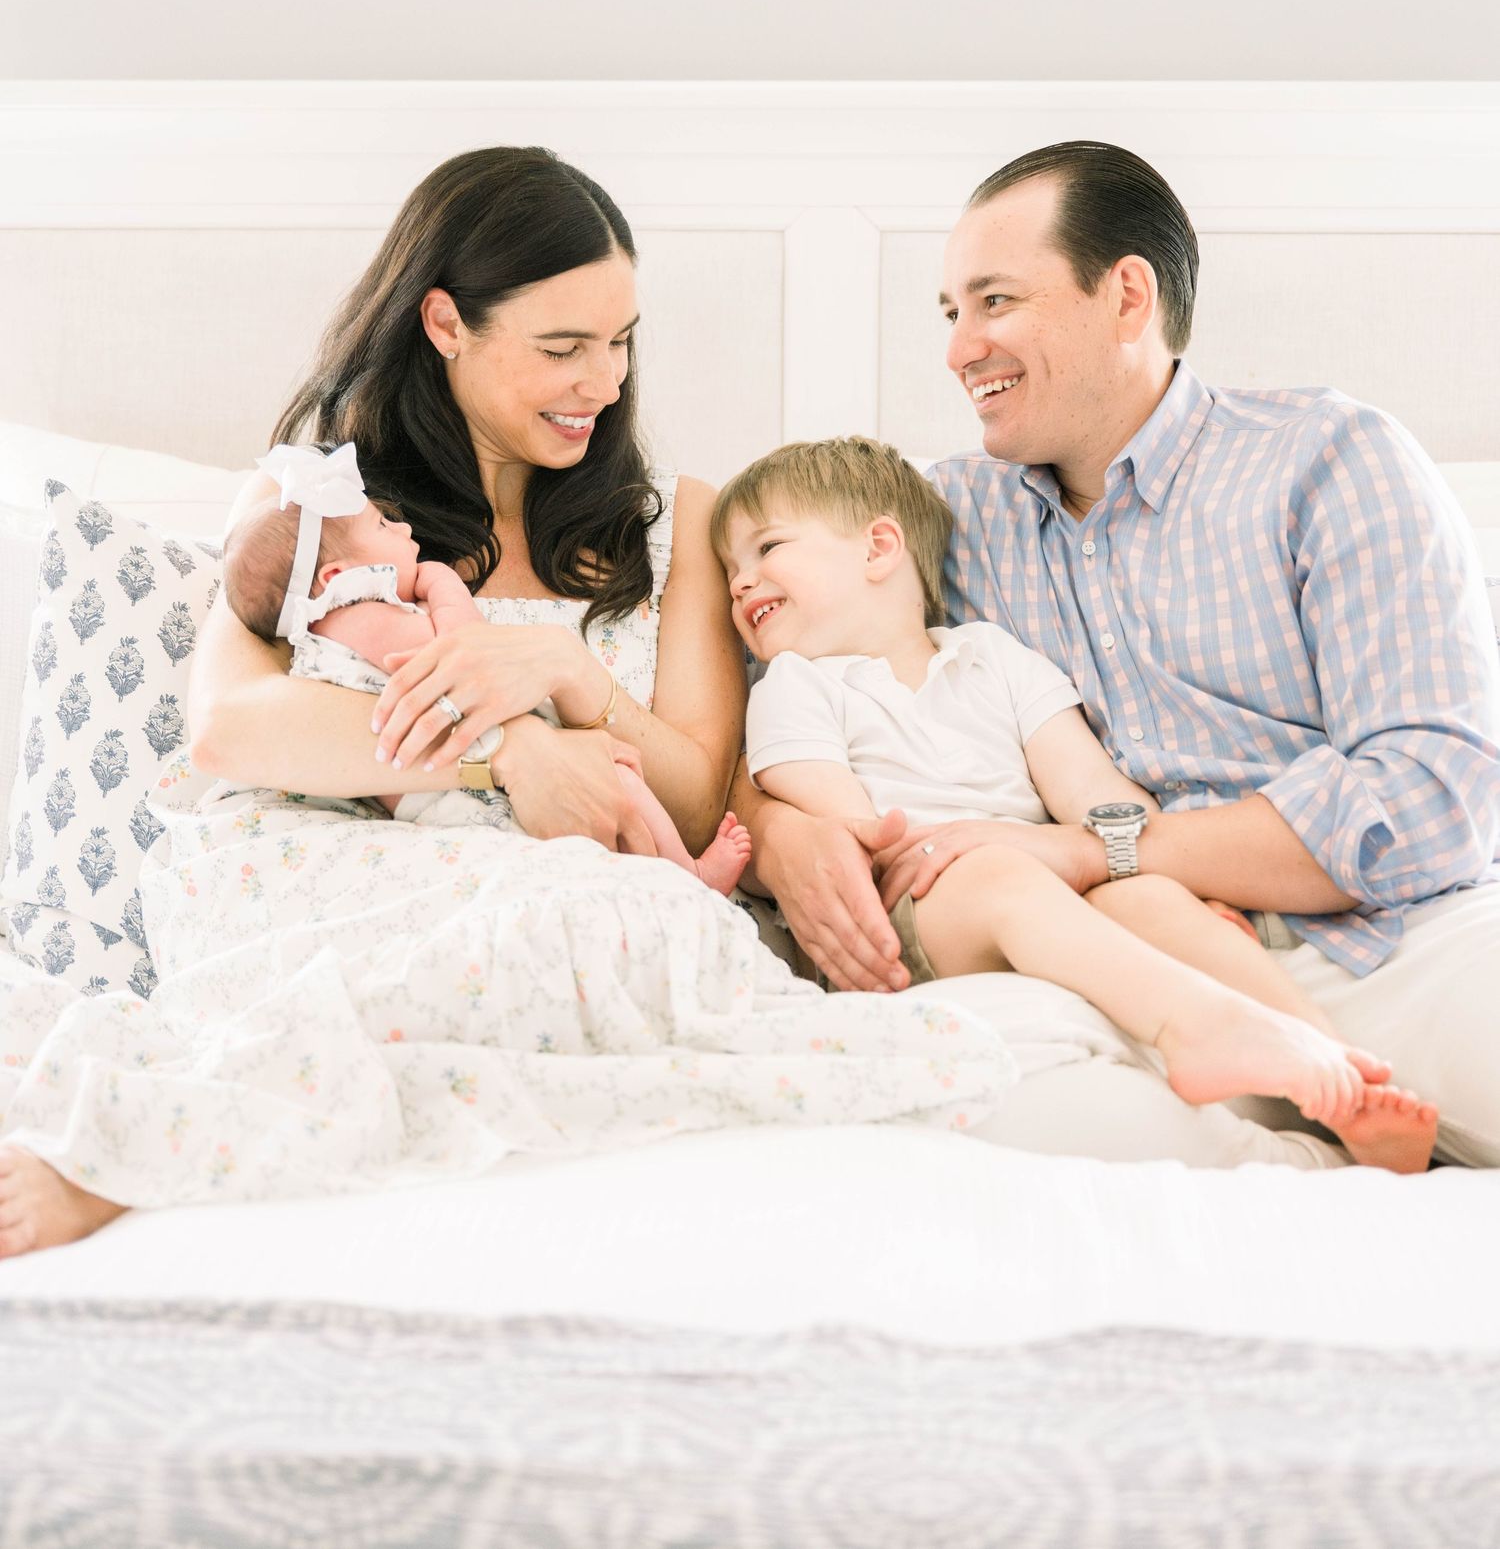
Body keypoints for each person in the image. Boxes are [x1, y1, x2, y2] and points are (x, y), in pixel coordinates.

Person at [8, 147, 998, 1257]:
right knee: (551, 935)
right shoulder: (317, 504)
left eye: (621, 342)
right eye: (563, 348)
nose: (605, 384)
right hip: (312, 867)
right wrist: (509, 755)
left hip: (552, 884)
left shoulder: (680, 524)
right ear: (445, 324)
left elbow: (692, 789)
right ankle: (127, 1146)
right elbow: (230, 728)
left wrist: (570, 679)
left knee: (636, 930)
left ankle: (177, 1137)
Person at [734, 142, 1500, 1168]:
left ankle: (1343, 1098)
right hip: (1110, 967)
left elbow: (1434, 804)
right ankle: (1329, 1145)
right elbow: (766, 692)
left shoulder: (1327, 458)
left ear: (1126, 296)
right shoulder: (939, 521)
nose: (959, 349)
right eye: (951, 313)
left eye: (995, 301)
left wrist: (1104, 851)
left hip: (1388, 940)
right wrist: (779, 830)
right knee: (985, 1123)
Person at [712, 434, 1438, 1172]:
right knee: (998, 874)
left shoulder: (994, 656)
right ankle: (1193, 1027)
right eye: (731, 568)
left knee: (1149, 894)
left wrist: (1174, 884)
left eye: (766, 548)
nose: (740, 584)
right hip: (904, 911)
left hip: (1028, 885)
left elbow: (1098, 797)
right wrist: (985, 853)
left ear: (879, 548)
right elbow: (857, 842)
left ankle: (1342, 1072)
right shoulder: (794, 685)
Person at [221, 441, 751, 892]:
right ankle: (687, 874)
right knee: (616, 786)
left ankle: (677, 875)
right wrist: (441, 583)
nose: (402, 529)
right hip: (461, 798)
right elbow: (468, 651)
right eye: (382, 524)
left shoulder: (323, 633)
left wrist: (568, 670)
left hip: (446, 800)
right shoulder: (362, 618)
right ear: (336, 578)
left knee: (608, 797)